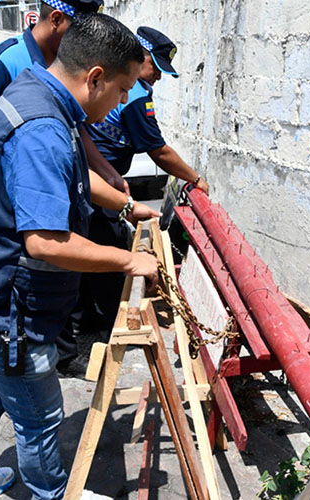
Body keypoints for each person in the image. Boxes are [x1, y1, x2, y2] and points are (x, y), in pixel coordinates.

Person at [0, 13, 158, 500]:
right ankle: (53, 494)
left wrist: (129, 207)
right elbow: (45, 242)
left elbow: (66, 177)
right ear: (95, 77)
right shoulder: (44, 127)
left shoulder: (37, 91)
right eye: (120, 90)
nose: (121, 103)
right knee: (41, 415)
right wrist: (129, 262)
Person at [74, 26, 209, 343]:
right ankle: (107, 330)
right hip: (98, 191)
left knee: (100, 252)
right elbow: (159, 151)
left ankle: (91, 323)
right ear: (142, 56)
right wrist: (196, 179)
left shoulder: (128, 90)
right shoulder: (134, 97)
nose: (158, 78)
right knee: (105, 259)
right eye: (156, 69)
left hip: (103, 179)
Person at [0, 0, 128, 196]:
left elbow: (76, 127)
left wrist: (107, 173)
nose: (87, 42)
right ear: (57, 19)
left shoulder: (67, 66)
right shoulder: (3, 62)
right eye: (80, 32)